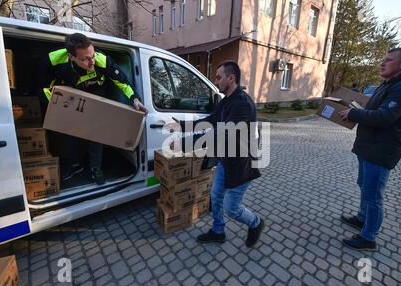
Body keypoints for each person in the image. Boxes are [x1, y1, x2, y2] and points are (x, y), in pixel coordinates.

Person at [338, 48, 401, 251]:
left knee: (373, 195)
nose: (382, 63)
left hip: (381, 150)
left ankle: (368, 237)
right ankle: (362, 218)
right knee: (364, 185)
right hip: (369, 146)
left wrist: (354, 113)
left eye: (388, 60)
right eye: (383, 59)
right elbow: (374, 110)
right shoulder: (391, 83)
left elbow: (384, 117)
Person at [168, 61, 264, 248]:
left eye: (219, 77)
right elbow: (210, 121)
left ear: (231, 78)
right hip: (225, 161)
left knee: (232, 208)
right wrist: (183, 125)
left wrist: (184, 143)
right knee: (216, 196)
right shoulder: (225, 101)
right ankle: (218, 231)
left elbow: (221, 134)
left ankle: (256, 223)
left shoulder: (243, 104)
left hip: (242, 166)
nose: (216, 80)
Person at [40, 33, 146, 185]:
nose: (92, 62)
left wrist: (135, 99)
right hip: (73, 95)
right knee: (70, 131)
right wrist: (55, 108)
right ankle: (75, 165)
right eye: (85, 59)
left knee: (96, 133)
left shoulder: (101, 60)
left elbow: (122, 82)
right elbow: (44, 85)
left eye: (93, 56)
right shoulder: (55, 59)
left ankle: (95, 167)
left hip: (96, 94)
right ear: (71, 57)